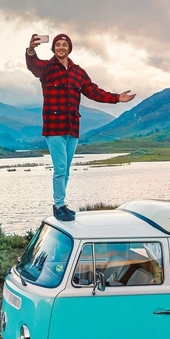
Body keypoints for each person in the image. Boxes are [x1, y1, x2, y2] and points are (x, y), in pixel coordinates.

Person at [26, 33, 135, 221]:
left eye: (64, 44)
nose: (61, 47)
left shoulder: (78, 72)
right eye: (57, 45)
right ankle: (59, 205)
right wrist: (31, 50)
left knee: (66, 170)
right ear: (53, 48)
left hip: (72, 126)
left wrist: (117, 98)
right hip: (54, 127)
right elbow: (33, 66)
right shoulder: (47, 68)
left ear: (69, 48)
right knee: (60, 168)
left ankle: (61, 205)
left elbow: (93, 91)